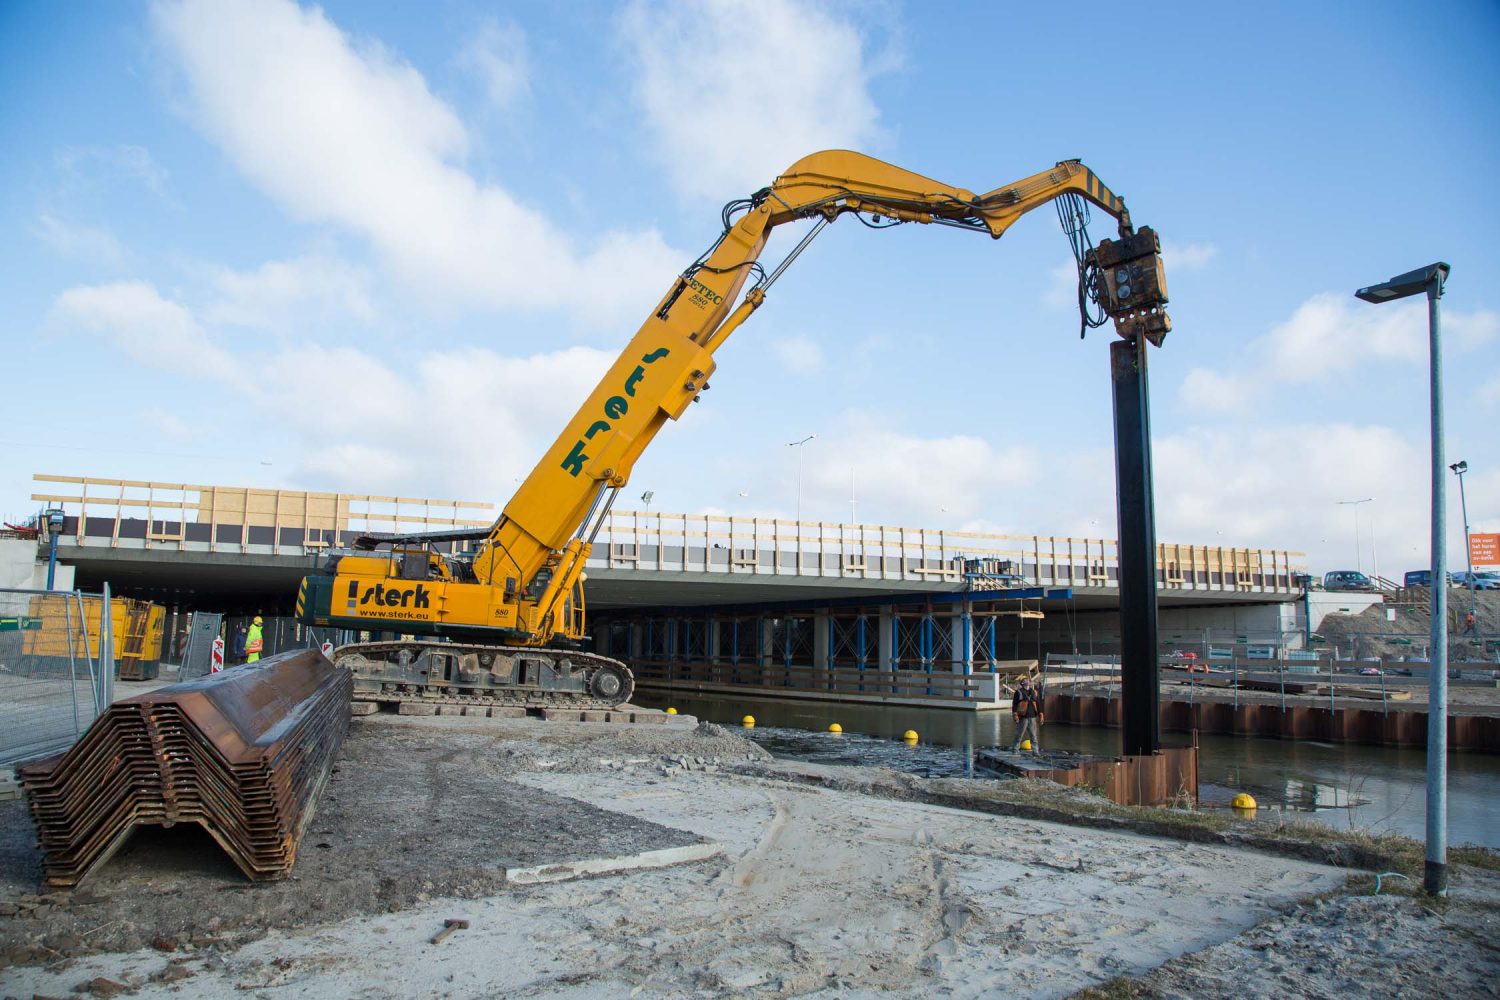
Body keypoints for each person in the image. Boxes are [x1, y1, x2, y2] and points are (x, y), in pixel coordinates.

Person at [1010, 675, 1043, 753]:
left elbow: (1038, 703)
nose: (1027, 682)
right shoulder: (1018, 692)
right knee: (1019, 735)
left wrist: (1041, 714)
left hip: (1032, 717)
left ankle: (1035, 752)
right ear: (1022, 683)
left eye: (1028, 680)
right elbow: (1014, 704)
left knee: (1033, 735)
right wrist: (1015, 714)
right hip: (1023, 717)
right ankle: (1015, 750)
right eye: (1025, 681)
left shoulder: (1034, 692)